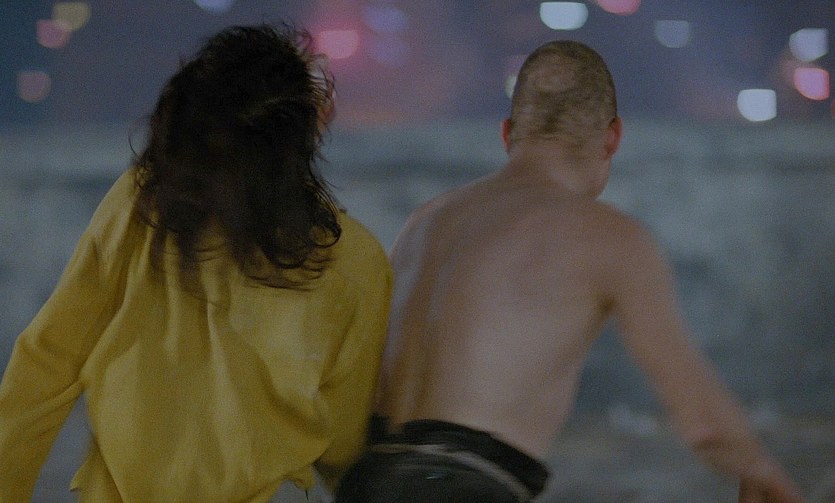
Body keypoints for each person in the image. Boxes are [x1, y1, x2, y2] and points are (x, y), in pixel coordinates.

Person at [333, 40, 805, 503]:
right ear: (613, 137)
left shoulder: (424, 223)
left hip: (365, 482)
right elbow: (705, 425)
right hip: (465, 487)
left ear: (507, 134)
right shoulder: (608, 235)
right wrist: (765, 474)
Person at [0, 24, 392, 502]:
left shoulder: (140, 206)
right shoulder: (352, 261)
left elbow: (46, 362)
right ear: (299, 134)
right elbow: (345, 441)